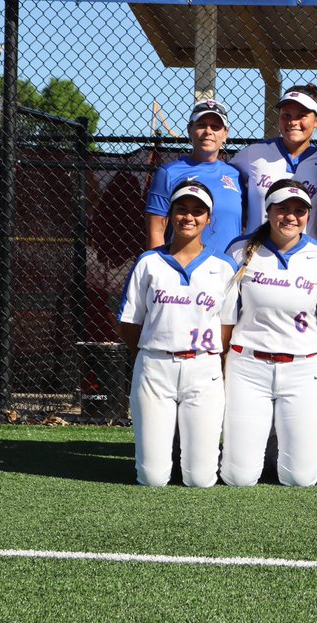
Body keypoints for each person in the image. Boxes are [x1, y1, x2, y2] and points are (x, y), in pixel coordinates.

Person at [118, 180, 236, 487]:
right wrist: (151, 353)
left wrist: (207, 359)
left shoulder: (223, 266)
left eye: (198, 211)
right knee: (153, 478)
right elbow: (130, 323)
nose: (189, 217)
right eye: (181, 209)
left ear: (209, 219)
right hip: (155, 368)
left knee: (200, 479)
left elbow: (226, 325)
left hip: (203, 369)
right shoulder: (149, 263)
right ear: (170, 215)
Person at [221, 180, 317, 487]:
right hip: (248, 366)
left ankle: (275, 450)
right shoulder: (241, 250)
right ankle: (260, 450)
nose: (291, 217)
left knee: (301, 479)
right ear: (268, 210)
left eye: (299, 210)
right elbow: (226, 316)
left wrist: (303, 339)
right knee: (238, 478)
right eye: (282, 209)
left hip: (302, 367)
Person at [144, 100, 243, 254]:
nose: (208, 131)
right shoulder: (168, 173)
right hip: (184, 270)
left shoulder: (236, 175)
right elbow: (156, 231)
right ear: (190, 130)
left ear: (225, 134)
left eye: (215, 127)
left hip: (229, 271)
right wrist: (161, 269)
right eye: (201, 125)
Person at [231, 84, 317, 235]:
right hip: (256, 251)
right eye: (286, 115)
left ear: (316, 121)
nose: (292, 122)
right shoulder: (254, 153)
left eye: (301, 115)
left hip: (303, 254)